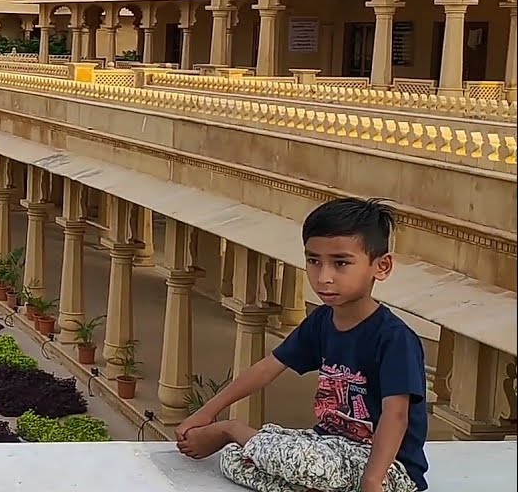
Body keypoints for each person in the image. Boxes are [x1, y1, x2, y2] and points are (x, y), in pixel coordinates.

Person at [175, 197, 427, 492]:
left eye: (341, 263)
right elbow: (268, 368)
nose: (324, 277)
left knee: (302, 463)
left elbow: (396, 415)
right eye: (313, 261)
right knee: (234, 460)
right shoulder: (322, 321)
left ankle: (232, 430)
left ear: (380, 267)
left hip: (386, 468)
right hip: (327, 448)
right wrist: (207, 411)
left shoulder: (394, 338)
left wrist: (371, 483)